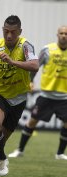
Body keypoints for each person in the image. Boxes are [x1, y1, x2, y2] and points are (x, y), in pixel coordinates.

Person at [0, 15, 39, 177]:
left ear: (20, 31)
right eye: (6, 31)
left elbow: (35, 66)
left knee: (1, 139)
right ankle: (3, 158)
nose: (9, 35)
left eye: (13, 32)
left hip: (18, 97)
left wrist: (13, 62)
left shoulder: (25, 46)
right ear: (2, 30)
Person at [8, 26, 67, 160]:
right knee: (32, 122)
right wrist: (30, 81)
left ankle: (60, 153)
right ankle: (20, 150)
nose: (64, 36)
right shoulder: (48, 50)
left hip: (64, 97)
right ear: (57, 35)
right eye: (62, 33)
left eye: (66, 34)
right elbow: (35, 66)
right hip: (46, 95)